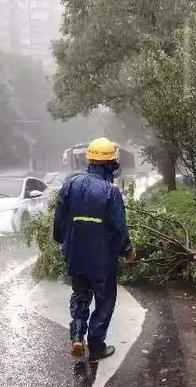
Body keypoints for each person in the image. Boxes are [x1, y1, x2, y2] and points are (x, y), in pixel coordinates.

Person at [53, 137, 135, 363]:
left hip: (75, 255)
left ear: (90, 161)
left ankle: (78, 335)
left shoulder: (70, 184)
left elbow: (59, 220)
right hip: (102, 259)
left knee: (80, 295)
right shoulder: (110, 191)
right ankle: (96, 346)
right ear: (110, 164)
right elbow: (118, 228)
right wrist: (127, 249)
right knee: (104, 300)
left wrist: (61, 240)